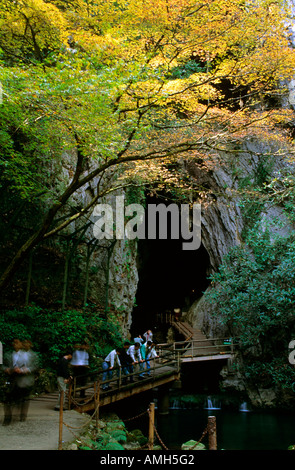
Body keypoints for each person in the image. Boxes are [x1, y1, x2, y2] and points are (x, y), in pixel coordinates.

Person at [2, 338, 39, 425]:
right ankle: (7, 418)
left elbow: (33, 366)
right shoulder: (8, 354)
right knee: (7, 399)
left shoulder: (27, 355)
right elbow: (2, 365)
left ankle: (22, 415)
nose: (15, 344)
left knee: (23, 399)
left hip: (23, 380)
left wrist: (24, 370)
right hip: (11, 380)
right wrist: (6, 369)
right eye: (13, 342)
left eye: (17, 342)